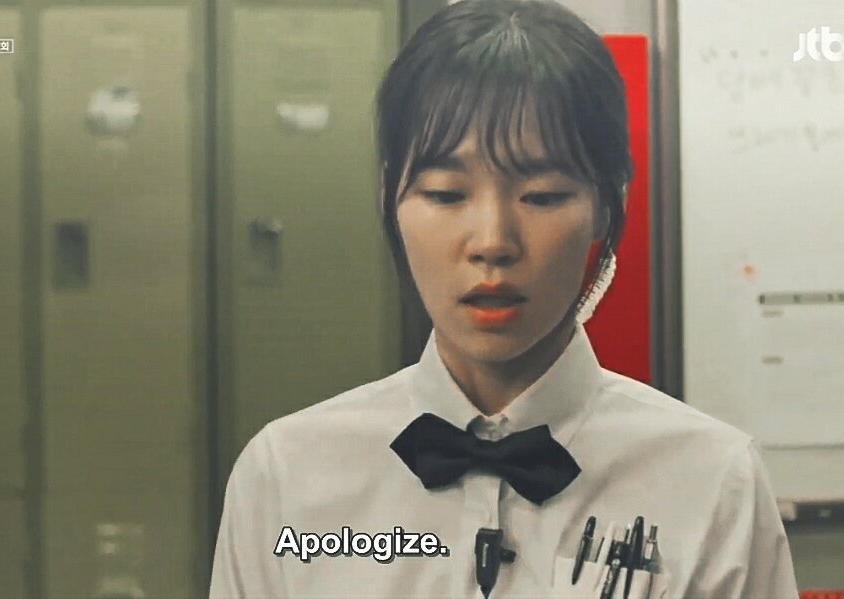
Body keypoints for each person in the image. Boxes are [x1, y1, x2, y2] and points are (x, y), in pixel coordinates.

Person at [209, 0, 799, 597]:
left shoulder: (712, 482)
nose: (492, 242)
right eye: (445, 194)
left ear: (606, 204)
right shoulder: (289, 476)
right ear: (389, 196)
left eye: (542, 196)